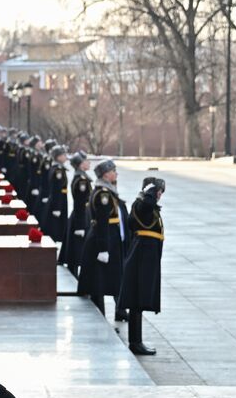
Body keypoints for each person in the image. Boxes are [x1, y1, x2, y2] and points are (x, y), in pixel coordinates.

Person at [118, 177, 165, 355]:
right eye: (158, 192)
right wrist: (151, 191)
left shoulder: (142, 205)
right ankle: (135, 342)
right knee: (137, 300)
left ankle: (136, 341)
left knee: (137, 301)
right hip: (142, 257)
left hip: (144, 256)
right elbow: (147, 204)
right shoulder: (143, 205)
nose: (159, 196)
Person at [79, 159, 127, 323]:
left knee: (115, 277)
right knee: (99, 281)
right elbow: (101, 222)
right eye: (113, 171)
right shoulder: (103, 195)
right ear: (106, 175)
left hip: (112, 239)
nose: (116, 174)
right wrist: (103, 249)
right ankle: (99, 316)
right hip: (105, 241)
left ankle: (120, 310)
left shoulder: (108, 191)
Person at [66, 151, 92, 280]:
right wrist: (80, 226)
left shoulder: (83, 178)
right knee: (77, 251)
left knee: (78, 250)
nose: (88, 163)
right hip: (80, 217)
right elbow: (80, 203)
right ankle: (74, 278)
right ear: (81, 165)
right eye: (86, 161)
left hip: (81, 216)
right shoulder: (81, 180)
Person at [45, 145, 71, 265]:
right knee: (54, 228)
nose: (65, 157)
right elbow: (56, 189)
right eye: (63, 155)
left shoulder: (59, 168)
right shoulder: (58, 170)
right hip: (58, 201)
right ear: (58, 157)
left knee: (57, 227)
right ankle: (51, 253)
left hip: (60, 200)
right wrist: (57, 207)